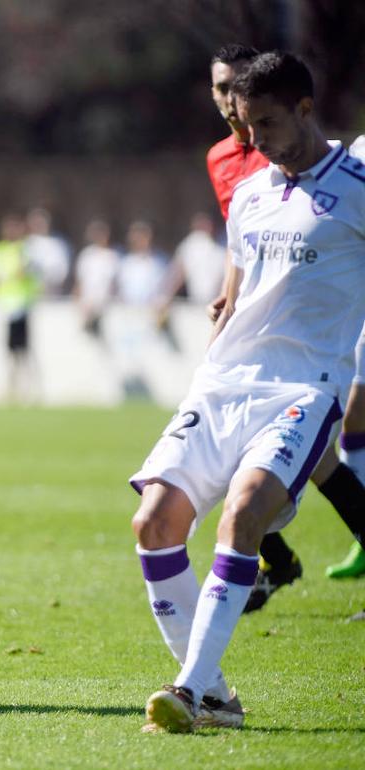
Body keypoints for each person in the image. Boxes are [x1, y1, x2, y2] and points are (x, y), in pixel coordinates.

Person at [131, 52, 365, 733]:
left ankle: (188, 688)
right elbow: (234, 298)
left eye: (266, 122)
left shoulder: (357, 186)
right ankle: (215, 698)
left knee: (244, 514)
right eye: (244, 123)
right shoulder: (253, 193)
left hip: (307, 387)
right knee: (153, 522)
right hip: (225, 381)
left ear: (303, 108)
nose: (254, 139)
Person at [201, 46, 365, 603]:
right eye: (219, 90)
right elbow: (240, 245)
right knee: (318, 464)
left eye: (233, 89)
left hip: (322, 332)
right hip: (259, 340)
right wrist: (228, 303)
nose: (227, 103)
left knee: (317, 453)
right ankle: (274, 556)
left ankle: (268, 557)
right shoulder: (227, 159)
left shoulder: (311, 157)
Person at [0, 214, 39, 402]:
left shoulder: (25, 250)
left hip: (21, 305)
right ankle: (10, 387)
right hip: (3, 306)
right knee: (8, 350)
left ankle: (28, 390)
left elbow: (28, 274)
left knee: (23, 349)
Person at [72, 219, 118, 337]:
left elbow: (115, 284)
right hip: (87, 305)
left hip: (106, 306)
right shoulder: (87, 254)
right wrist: (79, 303)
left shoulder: (113, 255)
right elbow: (80, 282)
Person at [24, 207, 71, 296]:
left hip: (51, 293)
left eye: (41, 222)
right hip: (28, 294)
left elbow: (61, 270)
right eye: (35, 222)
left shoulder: (57, 244)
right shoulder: (25, 243)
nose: (38, 225)